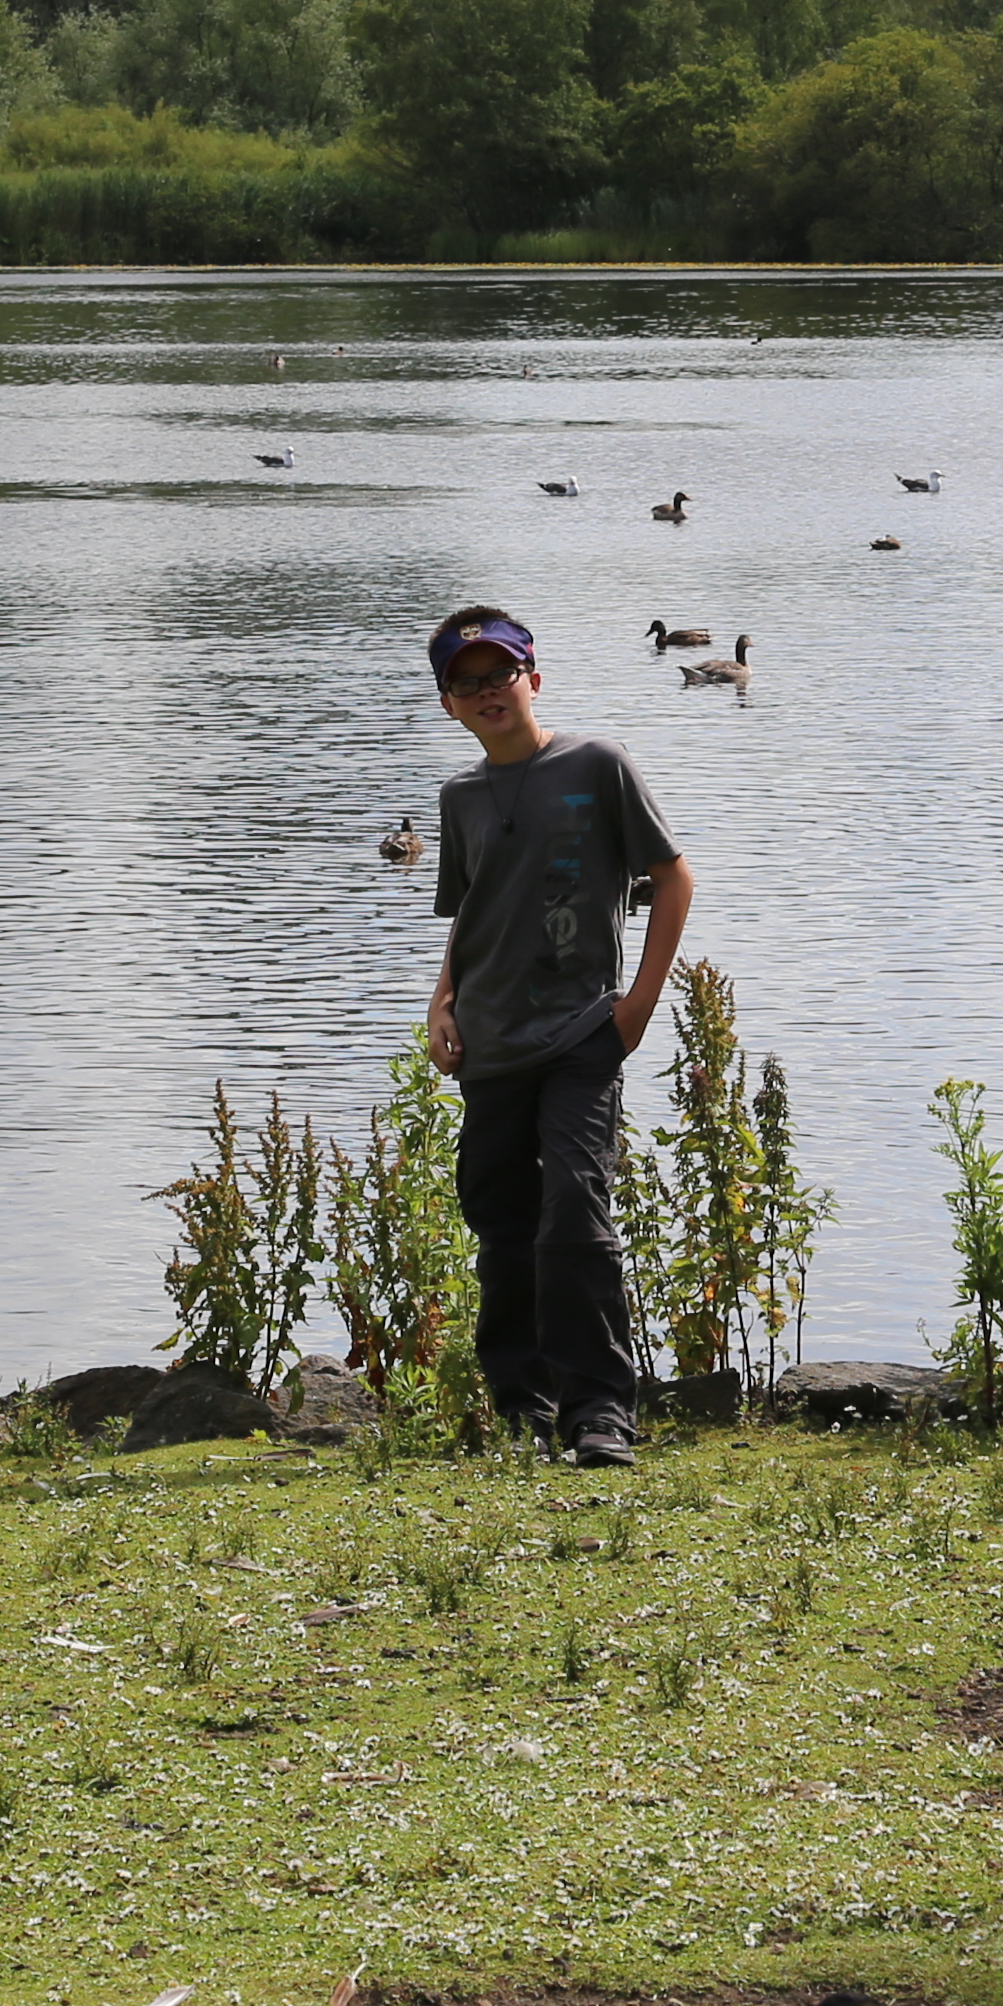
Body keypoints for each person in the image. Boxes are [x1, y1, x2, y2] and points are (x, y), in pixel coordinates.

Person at [420, 605, 692, 1468]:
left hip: (583, 1033)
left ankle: (599, 1413)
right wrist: (441, 1006)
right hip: (489, 1044)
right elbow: (468, 916)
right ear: (448, 706)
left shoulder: (596, 765)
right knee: (500, 1221)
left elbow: (673, 878)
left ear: (533, 680)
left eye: (501, 674)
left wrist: (638, 1007)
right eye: (467, 683)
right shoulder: (459, 797)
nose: (488, 690)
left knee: (576, 1206)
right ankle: (519, 1407)